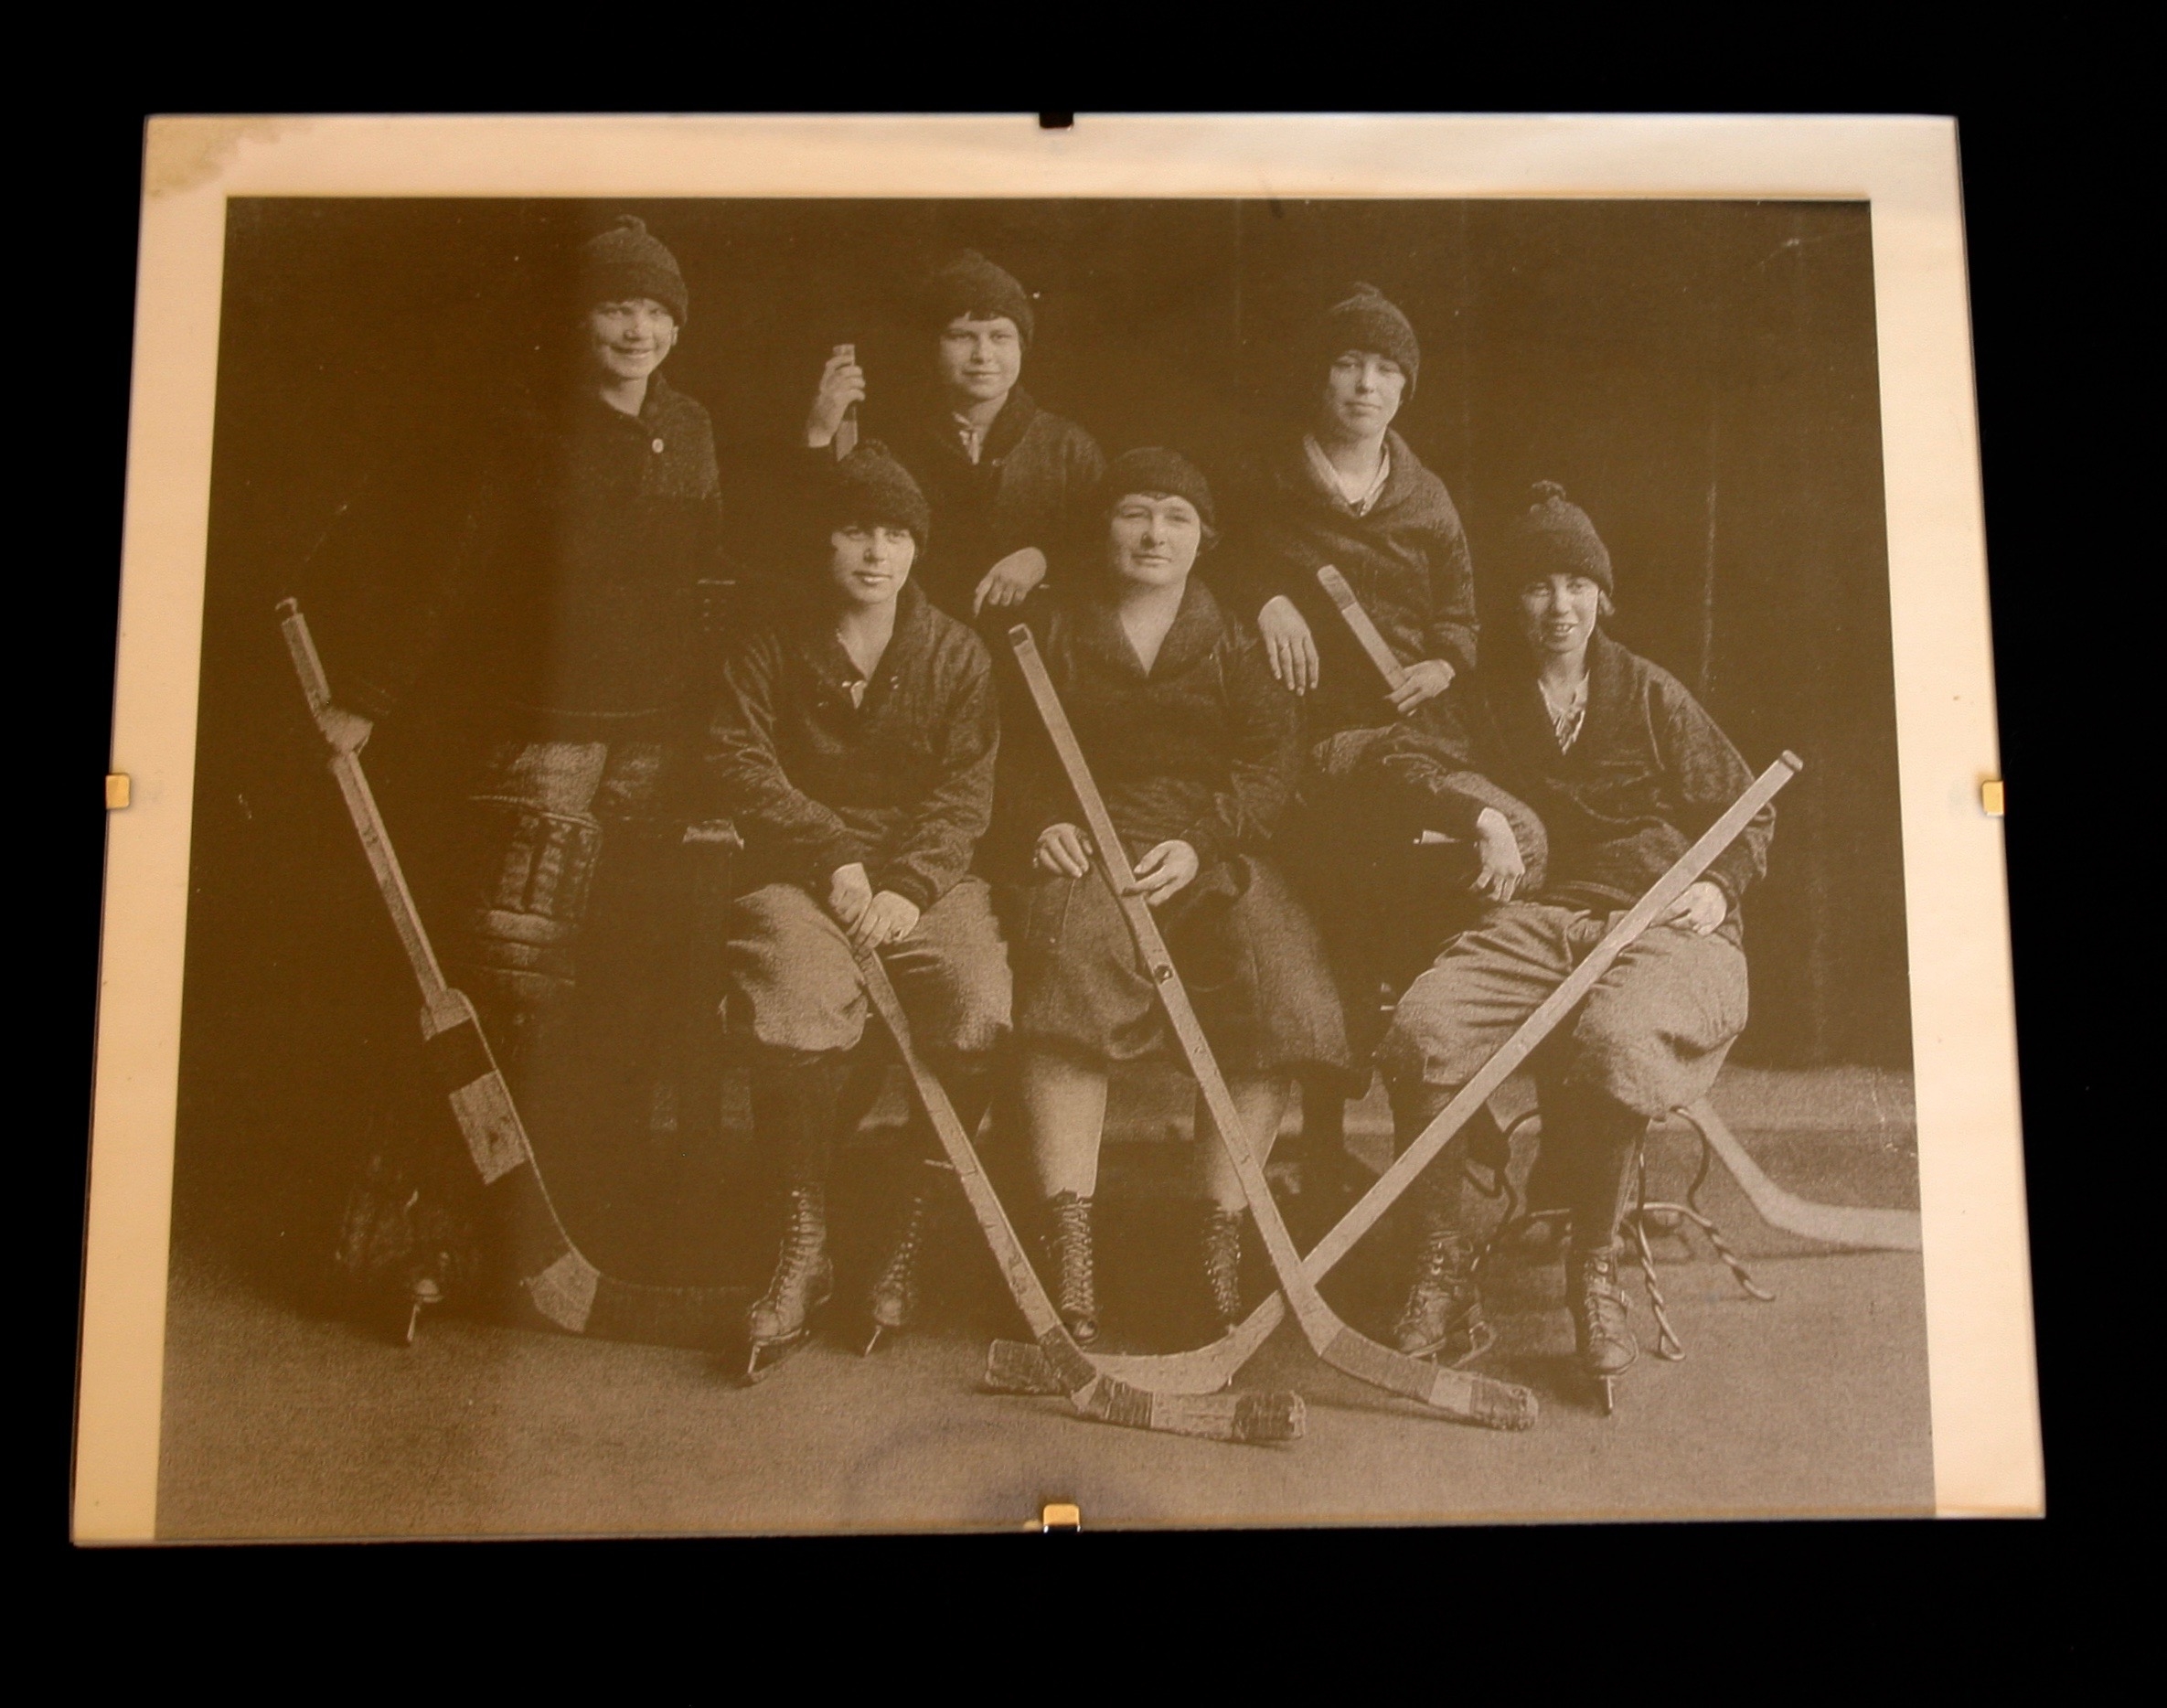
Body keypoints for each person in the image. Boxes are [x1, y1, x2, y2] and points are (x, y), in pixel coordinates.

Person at [304, 213, 731, 1313]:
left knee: (617, 1008)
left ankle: (554, 1252)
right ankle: (411, 1246)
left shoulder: (692, 430)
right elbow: (459, 573)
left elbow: (709, 593)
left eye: (655, 310)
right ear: (582, 319)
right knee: (496, 995)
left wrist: (708, 752)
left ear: (677, 324)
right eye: (615, 306)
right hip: (540, 747)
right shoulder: (529, 428)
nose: (636, 328)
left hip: (654, 757)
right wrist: (369, 698)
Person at [1375, 481, 1774, 1393]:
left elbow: (1749, 812)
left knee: (1614, 1040)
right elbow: (1403, 756)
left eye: (1576, 585)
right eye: (1536, 587)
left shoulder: (1651, 695)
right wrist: (1476, 809)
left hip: (1662, 919)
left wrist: (1718, 886)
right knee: (1422, 1032)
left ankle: (1594, 1267)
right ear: (1510, 602)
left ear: (1602, 596)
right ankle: (1438, 1270)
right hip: (1535, 921)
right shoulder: (1484, 694)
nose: (1558, 606)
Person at [1003, 449, 1351, 1342]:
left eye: (1175, 517)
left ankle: (1218, 1237)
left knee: (1277, 976)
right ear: (1105, 527)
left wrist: (1202, 842)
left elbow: (1270, 764)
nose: (1153, 534)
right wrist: (1037, 821)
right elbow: (1007, 751)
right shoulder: (1054, 632)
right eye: (1134, 513)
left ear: (1204, 539)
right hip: (1089, 842)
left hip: (1208, 851)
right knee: (1068, 960)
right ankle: (1069, 1245)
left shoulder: (1237, 641)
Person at [1212, 283, 1545, 1196]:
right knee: (1325, 915)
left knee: (1411, 905)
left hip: (1408, 732)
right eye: (1349, 363)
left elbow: (1463, 620)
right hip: (1302, 732)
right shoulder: (1269, 478)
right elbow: (1220, 558)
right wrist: (1266, 596)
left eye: (1386, 370)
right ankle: (1321, 1143)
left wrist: (1440, 664)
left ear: (1405, 390)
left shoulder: (1425, 495)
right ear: (1322, 376)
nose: (1365, 384)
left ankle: (1435, 1114)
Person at [709, 441, 1011, 1372]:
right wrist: (832, 854)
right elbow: (735, 757)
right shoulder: (770, 635)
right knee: (795, 993)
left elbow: (967, 788)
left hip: (926, 881)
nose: (875, 553)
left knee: (977, 1003)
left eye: (895, 533)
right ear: (823, 542)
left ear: (918, 548)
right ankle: (803, 1246)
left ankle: (906, 1240)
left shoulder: (957, 651)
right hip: (798, 872)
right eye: (854, 530)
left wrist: (907, 884)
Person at [802, 250, 1105, 624]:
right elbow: (824, 536)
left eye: (1000, 337)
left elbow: (1102, 551)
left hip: (1039, 647)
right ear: (933, 345)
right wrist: (819, 434)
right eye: (962, 336)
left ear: (1022, 346)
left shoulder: (1068, 447)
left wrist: (1042, 558)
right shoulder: (889, 445)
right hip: (920, 642)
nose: (983, 355)